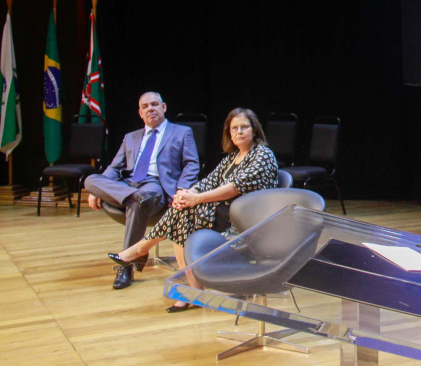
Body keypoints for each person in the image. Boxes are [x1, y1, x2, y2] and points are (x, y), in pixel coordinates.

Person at [108, 107, 278, 312]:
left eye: (244, 127)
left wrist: (195, 198)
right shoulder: (231, 159)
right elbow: (208, 182)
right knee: (181, 214)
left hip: (248, 222)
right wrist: (187, 194)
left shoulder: (262, 155)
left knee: (183, 214)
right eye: (235, 128)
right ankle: (191, 289)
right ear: (229, 134)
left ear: (255, 130)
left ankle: (145, 251)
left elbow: (233, 188)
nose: (239, 132)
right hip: (225, 214)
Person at [85, 91, 200, 290]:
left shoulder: (182, 132)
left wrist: (182, 188)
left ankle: (126, 267)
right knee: (91, 180)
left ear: (163, 107)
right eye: (145, 107)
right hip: (128, 186)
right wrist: (97, 189)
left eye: (155, 104)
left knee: (142, 199)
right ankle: (133, 199)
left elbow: (191, 164)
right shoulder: (130, 137)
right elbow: (114, 168)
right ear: (140, 113)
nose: (151, 109)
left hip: (156, 186)